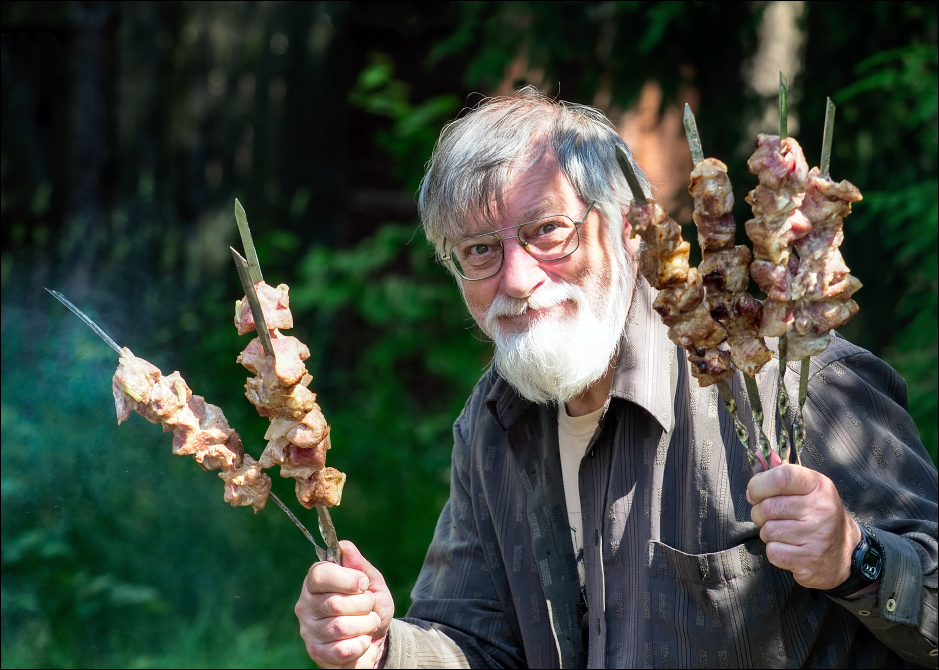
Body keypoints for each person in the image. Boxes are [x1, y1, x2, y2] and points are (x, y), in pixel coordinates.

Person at [294, 88, 938, 668]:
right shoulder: (493, 422)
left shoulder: (789, 382)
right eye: (480, 250)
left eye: (548, 231)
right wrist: (382, 650)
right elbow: (477, 645)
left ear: (630, 228)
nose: (517, 279)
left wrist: (854, 558)